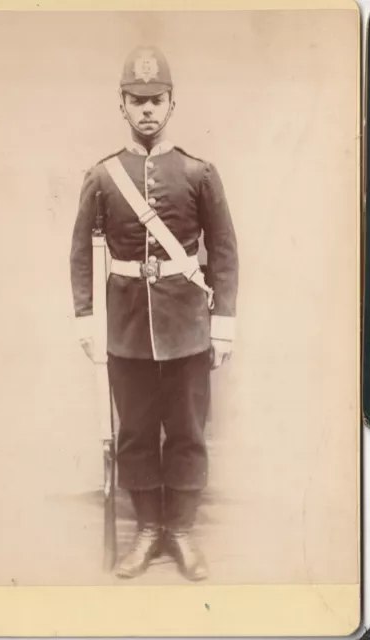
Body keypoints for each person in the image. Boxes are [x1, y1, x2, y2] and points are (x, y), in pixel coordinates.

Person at [70, 45, 239, 581]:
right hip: (124, 332)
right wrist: (87, 322)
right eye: (136, 100)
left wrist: (224, 325)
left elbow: (226, 251)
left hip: (189, 327)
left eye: (156, 99)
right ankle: (146, 532)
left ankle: (182, 532)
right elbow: (80, 254)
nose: (146, 109)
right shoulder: (102, 177)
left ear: (171, 103)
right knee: (137, 432)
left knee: (188, 429)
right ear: (121, 105)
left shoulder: (198, 173)